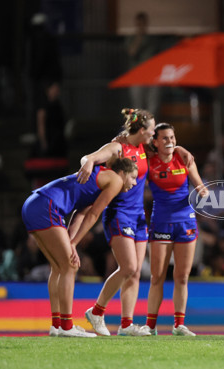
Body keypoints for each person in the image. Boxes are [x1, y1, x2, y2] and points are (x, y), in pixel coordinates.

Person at [78, 108, 193, 336]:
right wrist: (88, 162)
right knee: (128, 267)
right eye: (151, 132)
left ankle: (126, 324)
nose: (153, 136)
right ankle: (97, 311)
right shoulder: (118, 147)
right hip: (118, 212)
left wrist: (179, 148)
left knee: (136, 272)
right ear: (141, 131)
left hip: (139, 215)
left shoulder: (144, 147)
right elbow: (92, 156)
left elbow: (166, 146)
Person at [21, 157, 138, 337]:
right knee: (70, 265)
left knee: (59, 267)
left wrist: (71, 242)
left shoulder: (99, 180)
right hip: (47, 206)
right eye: (133, 177)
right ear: (122, 173)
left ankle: (57, 325)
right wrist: (73, 243)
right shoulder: (115, 179)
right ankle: (67, 326)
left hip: (34, 204)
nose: (135, 183)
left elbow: (80, 213)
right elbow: (94, 214)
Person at [140, 123, 208, 336]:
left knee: (182, 277)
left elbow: (198, 184)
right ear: (156, 142)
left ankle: (179, 325)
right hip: (160, 222)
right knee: (157, 277)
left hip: (185, 222)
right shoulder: (149, 163)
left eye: (172, 138)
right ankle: (150, 326)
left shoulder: (185, 159)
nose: (170, 142)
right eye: (165, 138)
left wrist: (203, 191)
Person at [125, 12, 160, 116]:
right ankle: (139, 130)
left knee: (153, 106)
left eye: (143, 23)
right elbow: (132, 52)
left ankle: (151, 129)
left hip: (153, 75)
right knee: (138, 107)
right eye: (139, 23)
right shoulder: (131, 38)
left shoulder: (153, 39)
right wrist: (139, 37)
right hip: (137, 76)